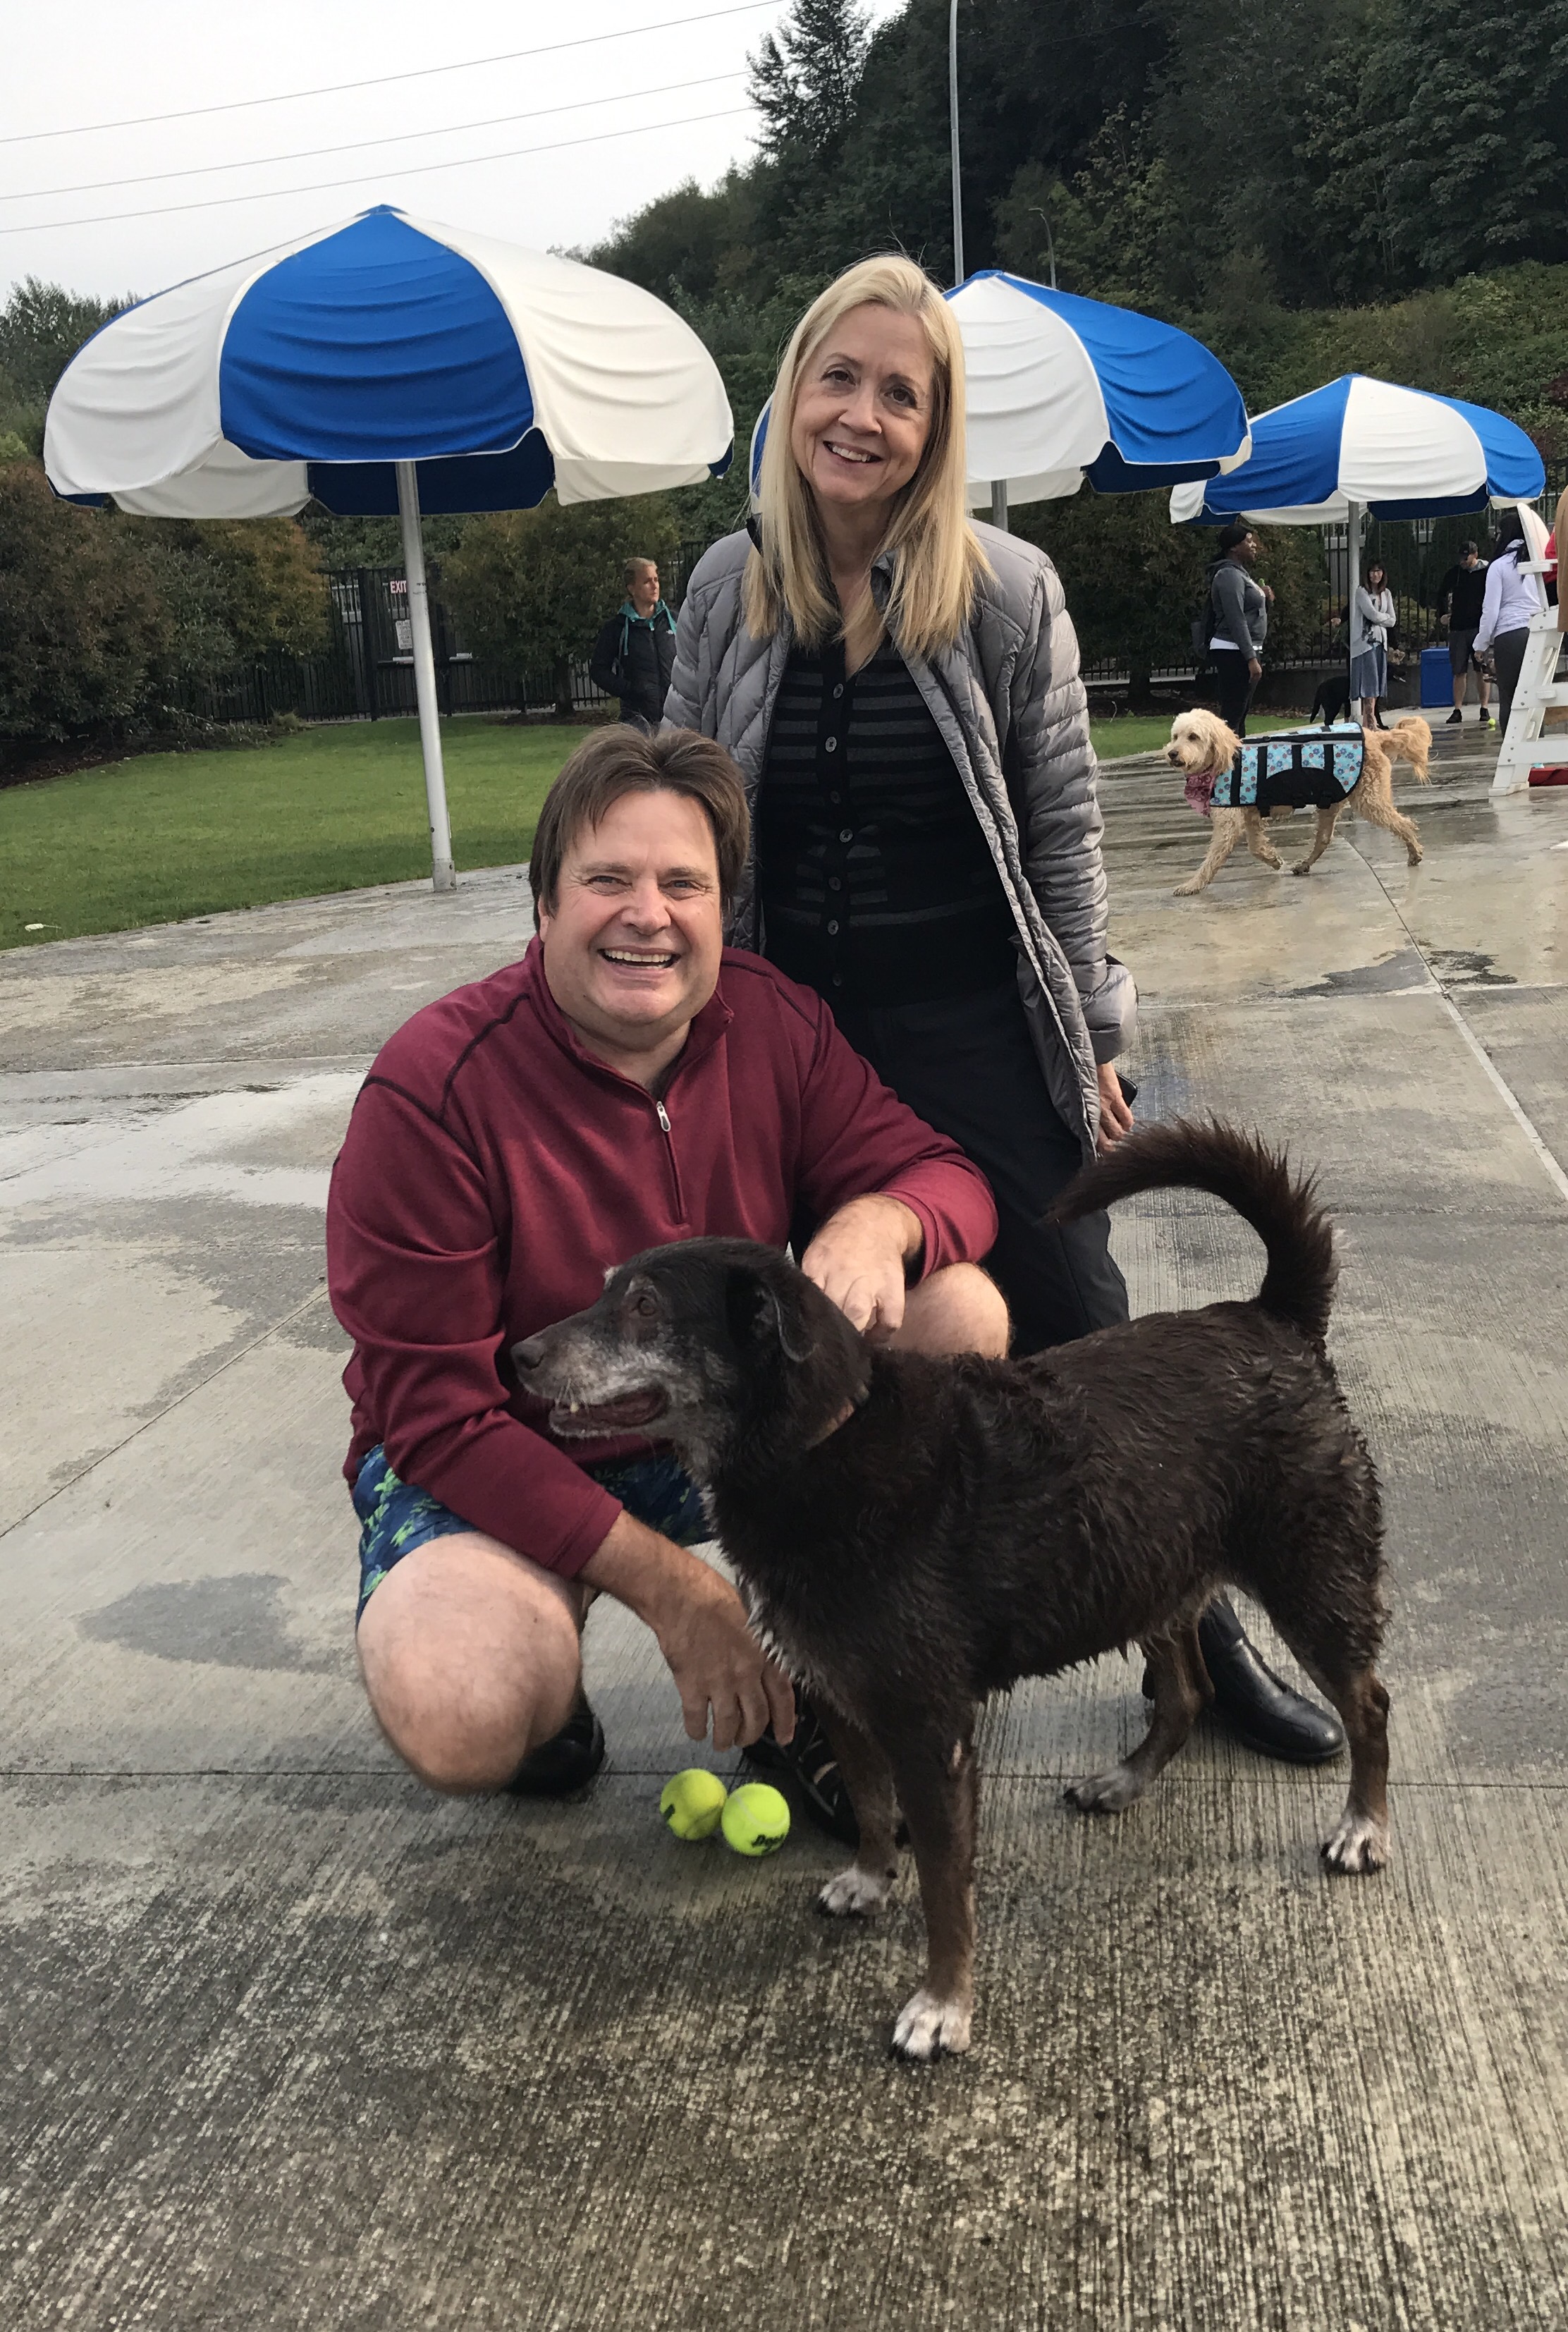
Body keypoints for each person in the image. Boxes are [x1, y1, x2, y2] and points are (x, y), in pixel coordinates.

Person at [664, 253, 1344, 1827]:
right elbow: (685, 802)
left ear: (937, 426)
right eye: (838, 378)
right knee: (795, 1359)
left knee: (1081, 1332)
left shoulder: (1004, 591)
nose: (861, 415)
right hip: (791, 1034)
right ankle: (828, 1674)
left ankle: (1197, 1632)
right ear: (792, 393)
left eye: (900, 394)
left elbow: (1063, 837)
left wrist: (1090, 1032)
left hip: (974, 1016)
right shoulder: (723, 587)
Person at [326, 724, 1009, 1800]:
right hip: (514, 1444)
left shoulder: (774, 1020)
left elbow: (948, 1178)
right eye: (608, 879)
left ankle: (819, 1683)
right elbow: (433, 1415)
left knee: (958, 1311)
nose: (648, 914)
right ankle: (546, 1692)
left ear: (721, 911)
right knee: (464, 1704)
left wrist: (885, 1219)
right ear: (544, 904)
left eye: (683, 883)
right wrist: (681, 1592)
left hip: (723, 1429)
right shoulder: (432, 1089)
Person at [1474, 511, 1544, 738]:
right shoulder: (1537, 562)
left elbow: (1490, 610)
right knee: (1535, 697)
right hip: (1538, 631)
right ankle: (1537, 750)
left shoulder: (1499, 566)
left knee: (1510, 696)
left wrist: (1481, 644)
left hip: (1510, 635)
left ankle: (1512, 748)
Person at [589, 558, 678, 728]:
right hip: (637, 722)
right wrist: (629, 691)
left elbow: (692, 659)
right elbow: (598, 670)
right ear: (632, 589)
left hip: (675, 719)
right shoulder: (617, 628)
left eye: (656, 580)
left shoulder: (674, 621)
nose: (654, 586)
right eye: (647, 581)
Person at [1207, 522, 1271, 738]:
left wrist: (1265, 598)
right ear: (1234, 547)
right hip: (1232, 651)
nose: (1254, 545)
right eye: (1248, 541)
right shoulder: (1228, 575)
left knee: (1241, 713)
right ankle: (1226, 756)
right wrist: (1251, 658)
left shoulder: (1241, 573)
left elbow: (1251, 611)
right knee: (1233, 714)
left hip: (1244, 650)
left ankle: (1238, 754)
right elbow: (1236, 618)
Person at [1435, 540, 1493, 727]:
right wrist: (1443, 614)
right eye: (1461, 557)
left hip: (1479, 627)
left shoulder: (1486, 572)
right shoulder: (1455, 573)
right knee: (1459, 671)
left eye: (1466, 557)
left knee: (1481, 669)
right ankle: (1457, 709)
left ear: (1475, 555)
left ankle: (1484, 707)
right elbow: (1441, 593)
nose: (1462, 561)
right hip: (1458, 628)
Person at [1352, 559, 1395, 730]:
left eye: (1379, 571)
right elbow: (1371, 615)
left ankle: (1367, 723)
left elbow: (1393, 620)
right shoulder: (1361, 592)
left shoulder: (1386, 594)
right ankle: (1370, 722)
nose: (1376, 575)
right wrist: (1384, 618)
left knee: (1377, 684)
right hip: (1365, 644)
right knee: (1368, 684)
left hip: (1381, 642)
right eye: (1373, 571)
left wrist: (1382, 619)